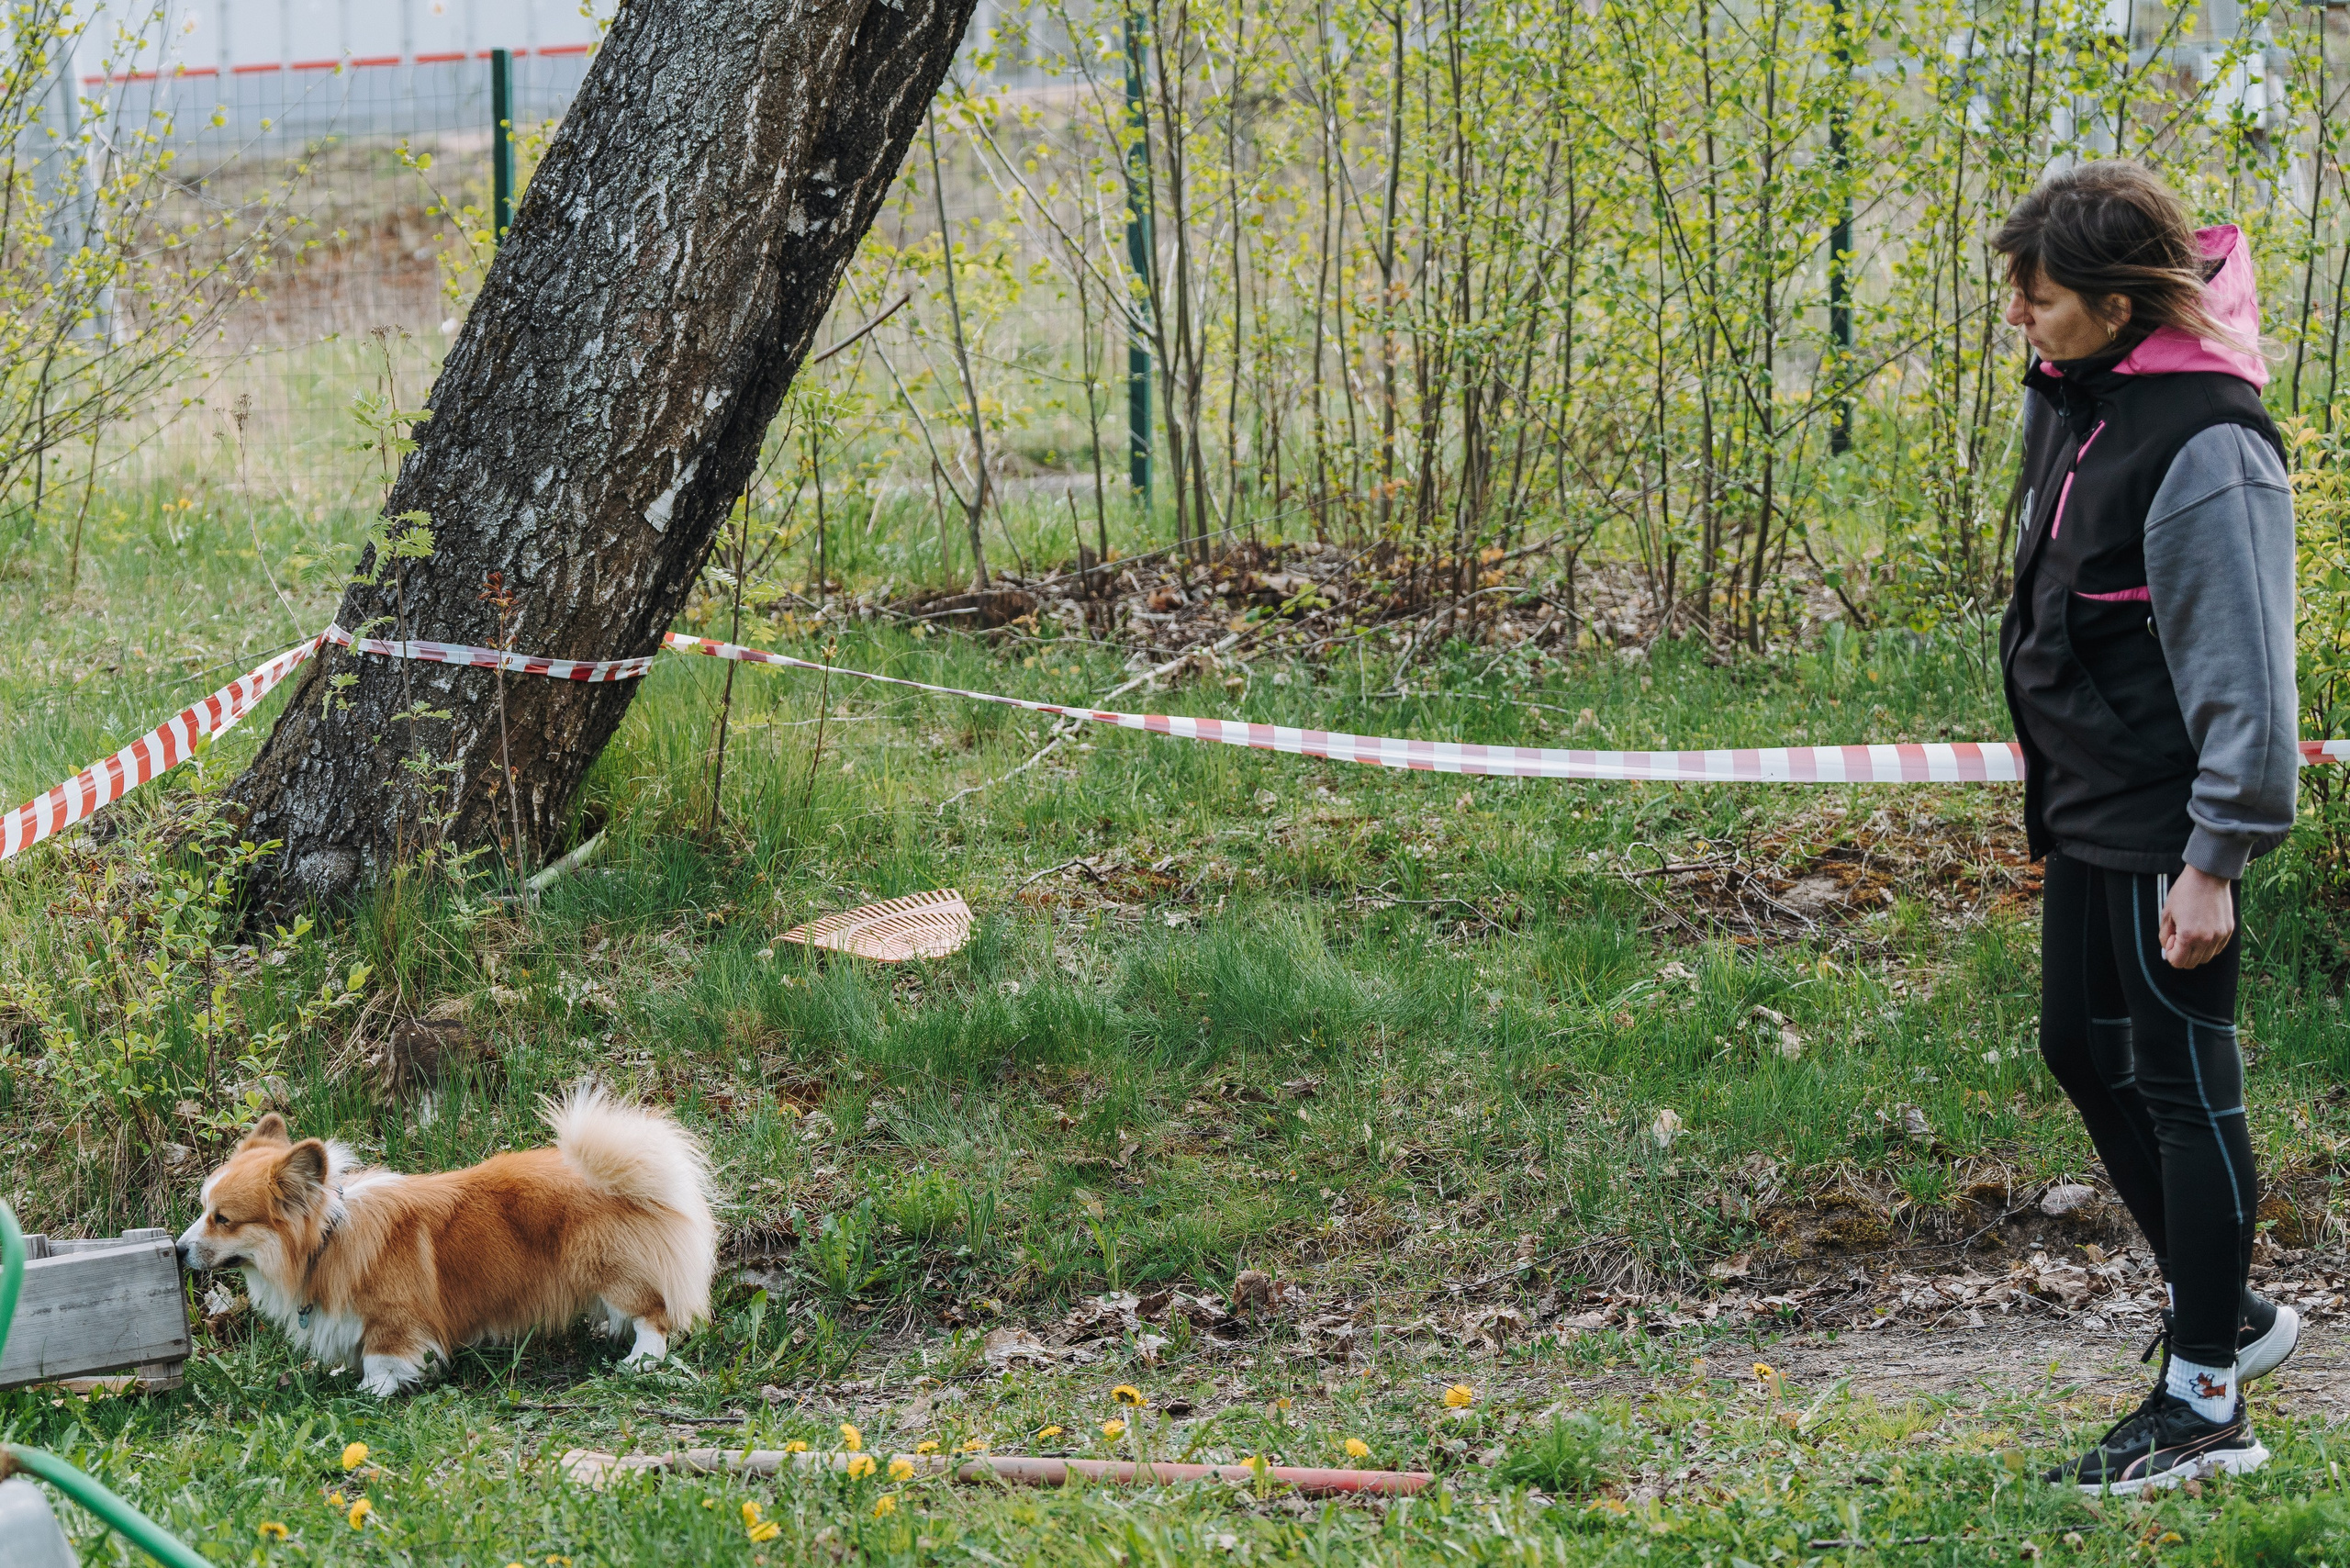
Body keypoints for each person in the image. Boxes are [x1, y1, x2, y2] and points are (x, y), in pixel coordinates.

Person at [1996, 161, 2300, 1495]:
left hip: (2171, 818)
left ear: (2120, 305)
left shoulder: (2206, 439)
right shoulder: (2084, 402)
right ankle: (2224, 1309)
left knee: (2185, 1091)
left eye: (2041, 295)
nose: (2020, 315)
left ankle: (2207, 1407)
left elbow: (2245, 667)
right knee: (2080, 1047)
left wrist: (2215, 856)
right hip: (2090, 803)